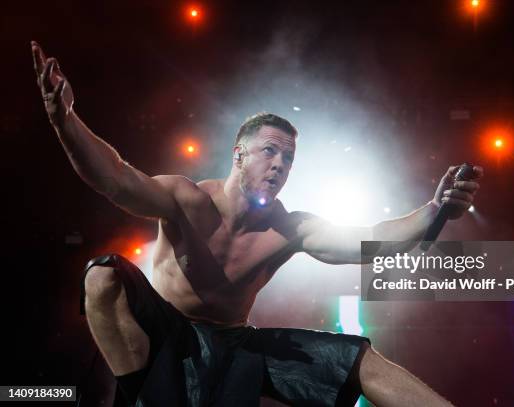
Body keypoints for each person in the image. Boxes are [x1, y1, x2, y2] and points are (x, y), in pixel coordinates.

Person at [32, 41, 482, 407]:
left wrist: (434, 209)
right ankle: (142, 398)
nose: (280, 164)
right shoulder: (187, 199)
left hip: (233, 347)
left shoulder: (290, 229)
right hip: (163, 337)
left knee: (358, 360)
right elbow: (114, 179)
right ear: (239, 154)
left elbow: (371, 242)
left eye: (288, 158)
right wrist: (65, 122)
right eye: (270, 151)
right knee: (103, 274)